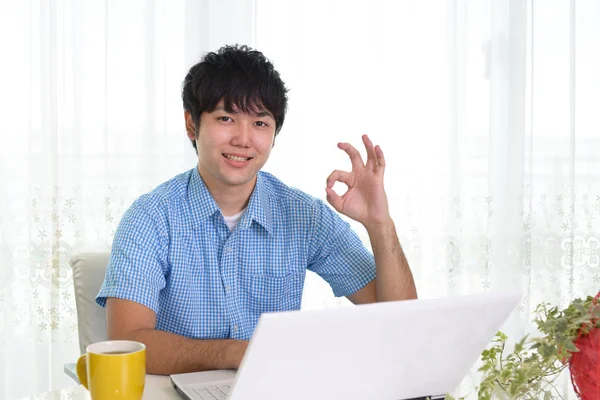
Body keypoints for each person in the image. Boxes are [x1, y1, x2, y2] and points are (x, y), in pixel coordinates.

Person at [96, 44, 417, 375]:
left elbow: (401, 324)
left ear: (275, 133)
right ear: (192, 125)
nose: (243, 139)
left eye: (260, 123)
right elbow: (127, 344)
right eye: (226, 119)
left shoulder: (304, 216)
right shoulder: (151, 217)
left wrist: (380, 224)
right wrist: (239, 353)